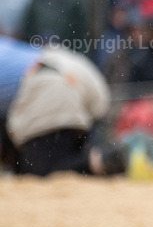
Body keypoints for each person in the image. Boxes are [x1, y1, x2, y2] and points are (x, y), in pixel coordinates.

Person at [0, 37, 120, 176]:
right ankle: (107, 158)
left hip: (49, 81)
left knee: (41, 172)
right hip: (72, 71)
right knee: (58, 157)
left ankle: (110, 159)